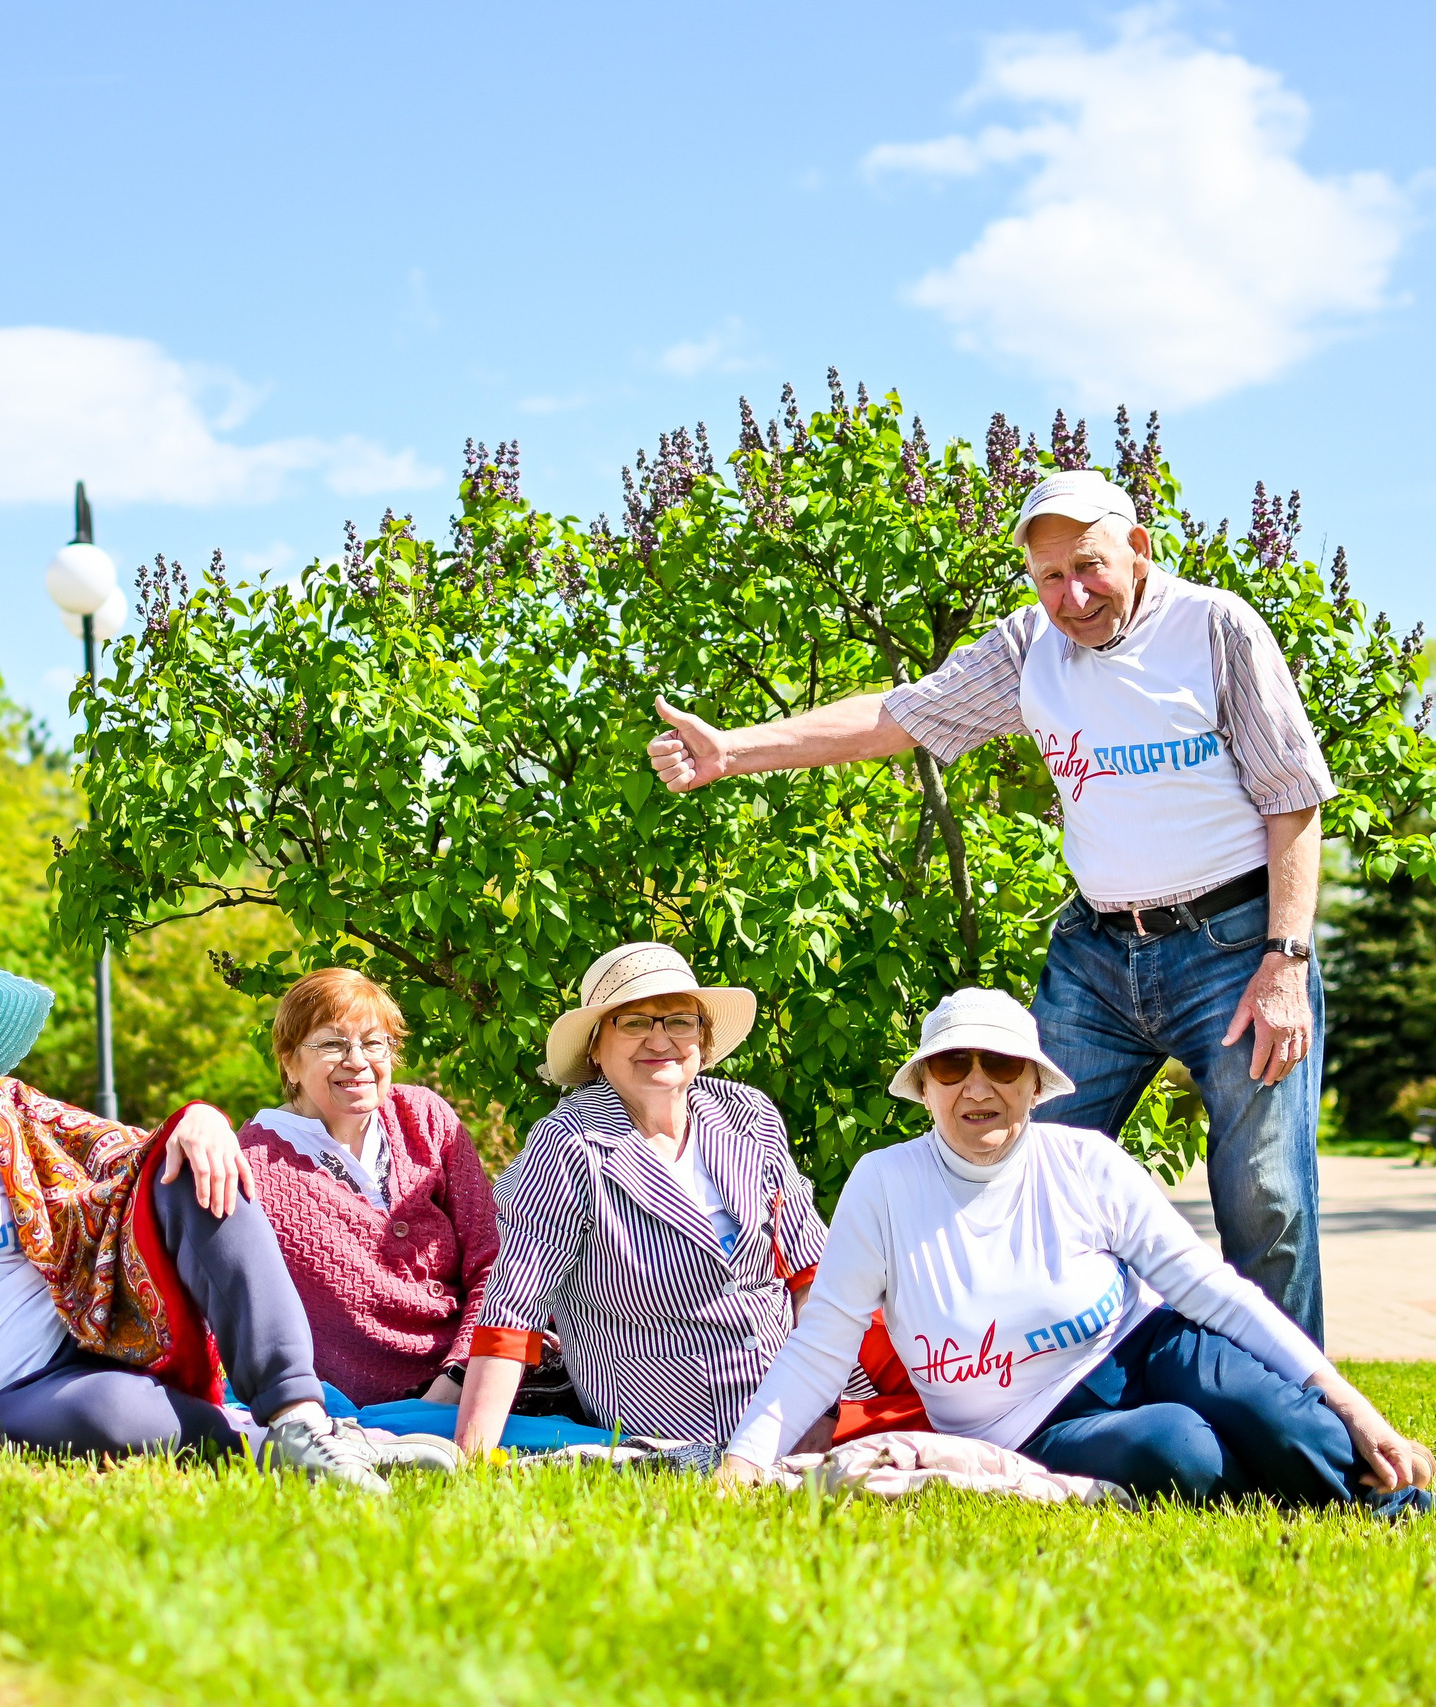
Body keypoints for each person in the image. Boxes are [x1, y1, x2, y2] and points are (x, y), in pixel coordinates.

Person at [648, 469, 1339, 1341]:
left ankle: (1309, 1428)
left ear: (1139, 549)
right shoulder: (1026, 649)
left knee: (1264, 1194)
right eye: (1050, 577)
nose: (1073, 595)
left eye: (1089, 567)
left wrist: (1285, 959)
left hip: (1237, 946)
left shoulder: (1215, 627)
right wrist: (733, 751)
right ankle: (1036, 1393)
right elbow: (896, 719)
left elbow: (1294, 798)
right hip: (1099, 954)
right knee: (1006, 1162)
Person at [719, 988, 1436, 1526]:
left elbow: (1212, 1291)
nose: (979, 1086)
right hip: (1031, 1419)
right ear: (925, 1085)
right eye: (952, 1066)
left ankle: (1419, 1511)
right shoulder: (883, 1184)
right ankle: (1316, 1503)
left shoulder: (1085, 1162)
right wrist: (748, 1457)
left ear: (1036, 1083)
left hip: (1147, 1342)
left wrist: (1358, 1405)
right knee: (1177, 1450)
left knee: (1279, 1415)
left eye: (1002, 1065)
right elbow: (822, 1340)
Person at [0, 908, 452, 1492]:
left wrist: (200, 1119)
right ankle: (299, 1446)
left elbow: (132, 1153)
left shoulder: (0, 1108)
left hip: (80, 1328)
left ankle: (299, 1413)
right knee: (97, 1420)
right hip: (11, 1396)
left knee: (196, 1161)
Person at [452, 942, 827, 1456]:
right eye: (632, 1022)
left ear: (702, 1038)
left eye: (679, 1021)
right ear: (594, 1047)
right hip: (666, 1428)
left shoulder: (747, 1114)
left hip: (792, 1412)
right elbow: (514, 1307)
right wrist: (470, 1457)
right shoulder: (570, 1143)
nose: (659, 1039)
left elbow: (811, 1275)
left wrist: (824, 1410)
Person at [237, 968, 501, 1408]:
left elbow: (493, 1259)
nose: (357, 1060)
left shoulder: (424, 1117)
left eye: (373, 1042)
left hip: (472, 1379)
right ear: (289, 1061)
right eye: (332, 1043)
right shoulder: (253, 1163)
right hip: (346, 1404)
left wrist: (460, 1373)